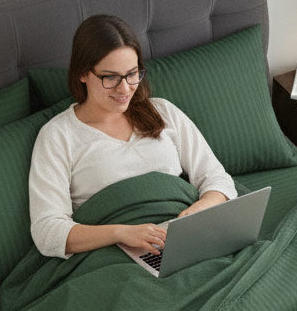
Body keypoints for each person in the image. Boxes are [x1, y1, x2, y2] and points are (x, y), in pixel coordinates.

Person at [28, 14, 236, 258]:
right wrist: (121, 233)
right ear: (82, 74)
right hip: (113, 255)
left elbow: (217, 179)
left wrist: (199, 210)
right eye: (111, 77)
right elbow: (48, 232)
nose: (125, 88)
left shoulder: (163, 112)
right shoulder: (58, 136)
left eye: (132, 73)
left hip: (181, 239)